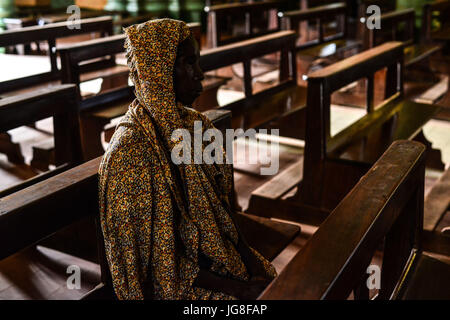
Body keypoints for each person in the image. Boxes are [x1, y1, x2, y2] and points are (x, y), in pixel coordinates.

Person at [98, 18, 276, 300]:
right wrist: (238, 289)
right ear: (159, 69)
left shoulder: (198, 126)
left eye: (197, 62)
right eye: (189, 63)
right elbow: (155, 270)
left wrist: (250, 259)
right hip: (171, 289)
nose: (200, 74)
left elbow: (222, 210)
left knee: (276, 284)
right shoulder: (129, 154)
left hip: (215, 261)